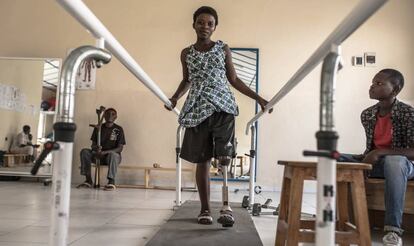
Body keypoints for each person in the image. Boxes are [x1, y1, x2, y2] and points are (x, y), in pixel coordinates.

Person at [165, 6, 271, 226]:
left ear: (215, 28)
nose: (205, 26)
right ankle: (205, 209)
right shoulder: (186, 53)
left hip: (223, 107)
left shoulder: (223, 49)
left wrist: (258, 98)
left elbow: (234, 79)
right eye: (201, 22)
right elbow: (187, 80)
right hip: (197, 110)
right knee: (202, 161)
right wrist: (175, 98)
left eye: (210, 23)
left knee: (224, 157)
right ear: (193, 24)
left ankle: (226, 206)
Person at [339, 69, 414, 246]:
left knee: (394, 161)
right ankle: (341, 219)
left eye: (379, 83)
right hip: (379, 164)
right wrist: (367, 156)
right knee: (335, 158)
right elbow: (372, 149)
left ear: (395, 91)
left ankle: (392, 230)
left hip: (404, 167)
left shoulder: (408, 113)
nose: (372, 86)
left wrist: (379, 152)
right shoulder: (367, 114)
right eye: (373, 82)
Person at [78, 108, 126, 191]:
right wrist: (96, 148)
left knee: (113, 155)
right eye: (108, 114)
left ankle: (111, 182)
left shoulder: (119, 129)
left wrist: (104, 152)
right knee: (85, 151)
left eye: (113, 114)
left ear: (116, 117)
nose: (110, 115)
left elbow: (120, 148)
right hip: (98, 155)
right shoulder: (98, 128)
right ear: (104, 116)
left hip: (110, 157)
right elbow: (92, 145)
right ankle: (88, 180)